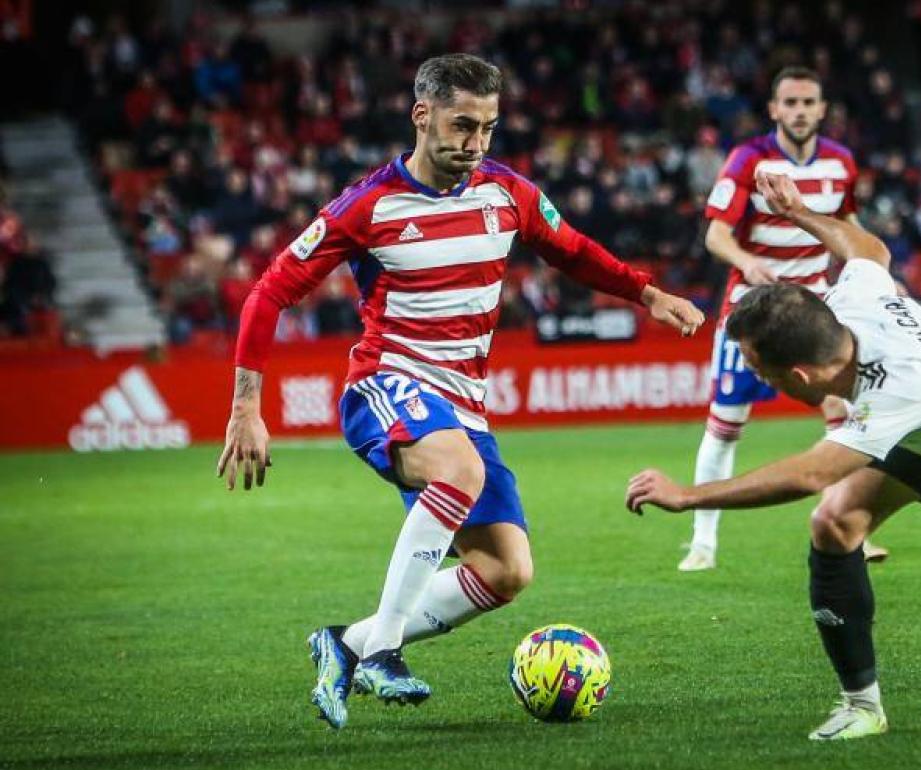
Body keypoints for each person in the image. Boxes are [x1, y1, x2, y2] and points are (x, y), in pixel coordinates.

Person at [216, 54, 704, 730]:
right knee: (461, 471)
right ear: (422, 115)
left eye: (488, 128)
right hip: (385, 385)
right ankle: (385, 651)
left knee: (507, 570)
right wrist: (247, 406)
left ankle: (348, 644)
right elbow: (270, 291)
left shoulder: (506, 192)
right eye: (462, 125)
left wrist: (646, 292)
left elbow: (573, 249)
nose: (475, 143)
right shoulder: (369, 205)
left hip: (463, 406)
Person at [627, 172, 921, 742]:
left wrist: (688, 496)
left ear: (800, 376)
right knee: (836, 523)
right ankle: (862, 706)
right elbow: (870, 249)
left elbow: (812, 471)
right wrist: (798, 212)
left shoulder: (898, 389)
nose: (761, 383)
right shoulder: (847, 306)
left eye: (764, 374)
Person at [682, 65, 888, 572]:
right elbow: (715, 234)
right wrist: (745, 261)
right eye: (789, 103)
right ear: (774, 109)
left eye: (807, 103)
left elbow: (847, 224)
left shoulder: (841, 163)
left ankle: (848, 525)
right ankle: (702, 542)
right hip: (750, 310)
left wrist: (874, 269)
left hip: (819, 307)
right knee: (726, 426)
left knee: (848, 413)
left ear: (821, 109)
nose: (798, 111)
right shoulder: (748, 159)